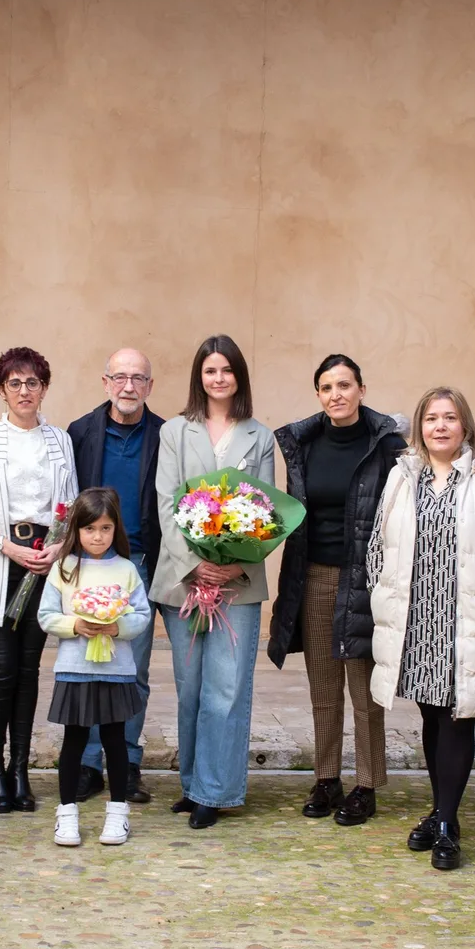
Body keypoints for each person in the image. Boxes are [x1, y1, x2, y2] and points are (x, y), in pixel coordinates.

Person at [367, 386, 475, 871]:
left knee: (459, 718)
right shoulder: (401, 479)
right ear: (420, 427)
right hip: (416, 621)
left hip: (464, 622)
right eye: (432, 418)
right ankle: (440, 813)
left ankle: (448, 825)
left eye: (450, 418)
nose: (440, 426)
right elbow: (377, 542)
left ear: (465, 426)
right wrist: (381, 592)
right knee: (432, 718)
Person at [269, 354, 405, 826]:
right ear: (319, 395)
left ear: (361, 390)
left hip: (366, 579)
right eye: (326, 387)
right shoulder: (301, 444)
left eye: (344, 385)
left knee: (365, 692)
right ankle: (327, 778)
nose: (336, 395)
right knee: (323, 688)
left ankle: (367, 785)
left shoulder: (386, 445)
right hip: (315, 575)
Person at [152, 335, 277, 830]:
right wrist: (194, 564)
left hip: (237, 584)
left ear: (239, 376)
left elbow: (264, 510)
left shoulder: (259, 436)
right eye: (210, 371)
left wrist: (235, 564)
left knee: (226, 689)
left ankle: (216, 791)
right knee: (191, 690)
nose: (218, 378)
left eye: (227, 370)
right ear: (198, 377)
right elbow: (166, 504)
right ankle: (192, 784)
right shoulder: (174, 433)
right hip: (186, 582)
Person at [0, 346, 79, 813]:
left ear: (44, 387)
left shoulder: (60, 440)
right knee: (1, 672)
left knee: (29, 672)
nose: (24, 391)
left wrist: (58, 547)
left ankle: (20, 770)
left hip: (44, 566)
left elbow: (70, 506)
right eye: (15, 383)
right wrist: (8, 546)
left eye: (33, 383)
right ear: (2, 390)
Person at [65, 348, 164, 804]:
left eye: (138, 378)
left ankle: (127, 761)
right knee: (88, 667)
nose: (128, 386)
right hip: (88, 566)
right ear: (105, 382)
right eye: (120, 377)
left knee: (132, 671)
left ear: (149, 385)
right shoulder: (81, 433)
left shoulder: (165, 435)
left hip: (139, 564)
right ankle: (87, 766)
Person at [37, 487, 154, 846]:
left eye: (105, 528)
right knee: (74, 740)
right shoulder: (64, 568)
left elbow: (142, 614)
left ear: (115, 528)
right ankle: (67, 814)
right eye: (90, 529)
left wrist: (117, 626)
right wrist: (76, 625)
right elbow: (46, 615)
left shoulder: (127, 569)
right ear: (77, 530)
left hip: (116, 669)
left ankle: (118, 813)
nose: (97, 536)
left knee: (114, 740)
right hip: (75, 667)